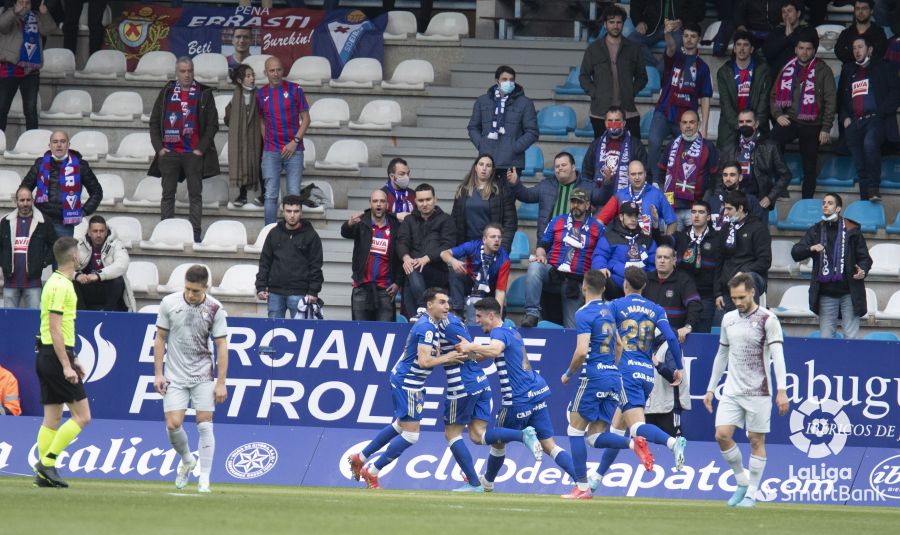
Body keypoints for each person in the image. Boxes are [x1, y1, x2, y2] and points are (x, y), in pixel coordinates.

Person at [455, 297, 578, 493]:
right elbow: (487, 354)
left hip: (517, 399)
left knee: (487, 439)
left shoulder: (498, 333)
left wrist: (470, 346)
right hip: (536, 392)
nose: (477, 321)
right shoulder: (510, 329)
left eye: (479, 316)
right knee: (549, 445)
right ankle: (581, 481)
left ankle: (490, 478)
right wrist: (463, 354)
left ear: (491, 315)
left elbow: (494, 350)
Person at [347, 288, 465, 489]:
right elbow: (425, 361)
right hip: (408, 382)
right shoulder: (427, 328)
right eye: (442, 302)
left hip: (408, 380)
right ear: (430, 305)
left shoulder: (429, 325)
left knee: (400, 426)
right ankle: (372, 471)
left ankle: (360, 457)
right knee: (411, 435)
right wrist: (449, 357)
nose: (447, 306)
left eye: (447, 302)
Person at [588, 266, 687, 492]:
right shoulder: (656, 309)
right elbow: (671, 337)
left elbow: (603, 331)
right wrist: (678, 367)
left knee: (636, 428)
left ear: (625, 284)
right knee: (617, 428)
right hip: (646, 373)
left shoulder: (615, 306)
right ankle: (596, 478)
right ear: (644, 286)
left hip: (625, 371)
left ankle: (673, 443)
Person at [561, 269, 655, 499]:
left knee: (574, 430)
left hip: (593, 376)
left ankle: (582, 488)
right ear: (603, 289)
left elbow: (582, 351)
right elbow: (620, 346)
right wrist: (611, 367)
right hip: (614, 376)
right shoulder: (609, 311)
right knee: (594, 437)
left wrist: (568, 373)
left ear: (584, 287)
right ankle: (634, 444)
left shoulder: (584, 313)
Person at [704, 272, 789, 508]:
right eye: (734, 298)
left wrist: (782, 390)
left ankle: (752, 493)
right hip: (731, 390)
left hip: (758, 391)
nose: (738, 302)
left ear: (752, 292)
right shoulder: (728, 319)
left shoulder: (768, 319)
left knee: (755, 440)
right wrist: (711, 388)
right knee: (721, 435)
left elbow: (778, 356)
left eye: (741, 297)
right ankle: (742, 481)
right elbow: (722, 353)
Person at [434, 310, 541, 492]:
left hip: (461, 385)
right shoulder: (456, 322)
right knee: (478, 436)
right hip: (481, 382)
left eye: (444, 302)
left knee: (451, 434)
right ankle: (522, 436)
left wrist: (439, 356)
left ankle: (475, 483)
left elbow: (458, 353)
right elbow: (470, 352)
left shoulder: (445, 325)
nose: (444, 307)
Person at [153, 264, 229, 493]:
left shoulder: (215, 308)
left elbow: (222, 345)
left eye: (195, 291)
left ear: (206, 287)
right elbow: (160, 339)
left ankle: (204, 478)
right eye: (187, 289)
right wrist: (158, 373)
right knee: (173, 424)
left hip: (203, 374)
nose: (190, 294)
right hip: (175, 374)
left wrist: (221, 382)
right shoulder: (169, 303)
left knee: (205, 424)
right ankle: (187, 460)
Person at [31, 237, 91, 488]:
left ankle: (44, 474)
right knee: (82, 416)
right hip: (55, 357)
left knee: (52, 418)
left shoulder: (55, 282)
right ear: (75, 257)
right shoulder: (61, 286)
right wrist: (66, 364)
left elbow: (57, 329)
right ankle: (48, 462)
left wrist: (73, 357)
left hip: (48, 354)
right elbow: (55, 329)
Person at [149, 57, 219, 243]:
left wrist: (200, 149)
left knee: (195, 195)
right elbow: (154, 121)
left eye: (189, 71)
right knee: (167, 195)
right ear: (176, 72)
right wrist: (159, 148)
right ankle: (165, 232)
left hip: (192, 153)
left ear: (193, 71)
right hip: (169, 152)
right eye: (183, 71)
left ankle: (195, 234)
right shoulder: (167, 92)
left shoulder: (204, 93)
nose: (187, 75)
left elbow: (212, 124)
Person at [790, 193, 872, 339]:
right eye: (824, 203)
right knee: (826, 338)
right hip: (826, 292)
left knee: (851, 338)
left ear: (838, 208)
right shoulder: (816, 230)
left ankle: (849, 362)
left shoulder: (852, 229)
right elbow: (796, 252)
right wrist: (810, 248)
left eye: (830, 203)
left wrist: (863, 270)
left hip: (849, 291)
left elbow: (865, 258)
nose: (825, 205)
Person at [521, 188, 604, 329]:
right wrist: (540, 255)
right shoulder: (558, 220)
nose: (576, 205)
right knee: (535, 266)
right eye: (573, 201)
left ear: (588, 204)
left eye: (580, 202)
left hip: (576, 281)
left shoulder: (597, 227)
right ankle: (532, 313)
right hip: (553, 273)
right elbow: (543, 244)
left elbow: (600, 254)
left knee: (572, 330)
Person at [770, 28, 836, 199]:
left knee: (810, 166)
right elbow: (773, 95)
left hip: (813, 124)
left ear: (814, 50)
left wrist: (826, 128)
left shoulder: (823, 70)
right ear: (795, 49)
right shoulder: (787, 68)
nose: (804, 52)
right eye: (801, 48)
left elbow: (831, 101)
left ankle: (807, 201)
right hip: (791, 120)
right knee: (770, 143)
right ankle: (780, 183)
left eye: (808, 49)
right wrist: (777, 115)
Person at [646, 21, 713, 185]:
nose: (689, 39)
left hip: (686, 118)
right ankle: (654, 181)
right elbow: (670, 47)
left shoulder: (702, 67)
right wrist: (668, 34)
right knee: (654, 142)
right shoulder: (675, 56)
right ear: (682, 37)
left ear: (699, 39)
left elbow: (705, 97)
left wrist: (703, 126)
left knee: (687, 152)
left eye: (693, 36)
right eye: (686, 36)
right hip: (664, 111)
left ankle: (681, 183)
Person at [838, 36, 900, 202]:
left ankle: (874, 188)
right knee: (859, 164)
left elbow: (896, 93)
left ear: (870, 50)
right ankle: (864, 199)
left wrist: (880, 113)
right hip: (854, 123)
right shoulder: (848, 70)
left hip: (875, 120)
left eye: (860, 47)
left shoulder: (884, 67)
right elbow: (841, 100)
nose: (856, 51)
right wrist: (844, 117)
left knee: (870, 143)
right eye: (854, 48)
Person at [578, 5, 648, 139]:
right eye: (611, 22)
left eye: (619, 22)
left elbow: (642, 77)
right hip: (600, 112)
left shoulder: (633, 48)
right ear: (605, 24)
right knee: (603, 154)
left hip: (628, 111)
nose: (615, 26)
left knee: (634, 152)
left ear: (622, 24)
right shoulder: (593, 49)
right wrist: (595, 93)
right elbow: (583, 76)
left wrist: (631, 91)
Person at [257, 56, 311, 226]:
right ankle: (269, 234)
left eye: (278, 69)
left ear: (283, 70)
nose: (276, 73)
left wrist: (295, 141)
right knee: (271, 195)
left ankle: (293, 231)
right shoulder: (260, 93)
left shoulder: (295, 89)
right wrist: (268, 143)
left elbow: (306, 119)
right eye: (272, 70)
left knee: (293, 193)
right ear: (266, 73)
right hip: (271, 151)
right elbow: (262, 121)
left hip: (294, 150)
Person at [20, 130, 103, 238]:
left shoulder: (80, 166)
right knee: (38, 255)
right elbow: (23, 190)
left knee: (62, 255)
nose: (59, 145)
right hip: (40, 221)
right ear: (50, 145)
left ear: (68, 144)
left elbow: (97, 192)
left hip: (64, 224)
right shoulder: (40, 164)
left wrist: (83, 212)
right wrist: (28, 209)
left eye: (62, 141)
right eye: (55, 142)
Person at [654, 200, 721, 333]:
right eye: (694, 212)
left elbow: (719, 269)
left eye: (701, 212)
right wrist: (656, 226)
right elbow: (662, 242)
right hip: (681, 294)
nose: (696, 215)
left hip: (705, 296)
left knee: (700, 337)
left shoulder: (717, 239)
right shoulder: (681, 236)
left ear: (708, 217)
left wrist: (718, 293)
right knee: (679, 334)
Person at [506, 152, 604, 243]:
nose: (560, 168)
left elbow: (602, 198)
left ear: (573, 167)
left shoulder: (587, 186)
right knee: (535, 263)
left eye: (563, 165)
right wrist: (515, 183)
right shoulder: (546, 185)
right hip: (548, 242)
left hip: (577, 242)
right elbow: (527, 196)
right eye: (557, 166)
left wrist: (608, 184)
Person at [255, 195, 323, 319]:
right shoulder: (273, 233)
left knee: (301, 335)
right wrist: (260, 286)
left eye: (296, 211)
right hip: (275, 292)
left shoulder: (311, 236)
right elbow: (265, 261)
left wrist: (313, 291)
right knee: (273, 334)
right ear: (283, 211)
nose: (292, 215)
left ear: (301, 212)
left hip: (300, 293)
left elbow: (316, 266)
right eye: (289, 211)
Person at [467, 65, 539, 179]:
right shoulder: (482, 101)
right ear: (497, 81)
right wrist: (482, 144)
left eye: (511, 80)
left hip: (512, 164)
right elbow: (473, 128)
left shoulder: (525, 103)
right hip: (488, 162)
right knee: (485, 196)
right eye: (504, 79)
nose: (508, 82)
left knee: (507, 197)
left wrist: (515, 148)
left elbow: (532, 132)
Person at [342, 190, 403, 322]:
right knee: (359, 332)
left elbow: (400, 257)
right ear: (370, 204)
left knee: (385, 333)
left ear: (387, 204)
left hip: (386, 289)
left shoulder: (396, 226)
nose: (378, 204)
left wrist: (398, 282)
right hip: (361, 287)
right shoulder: (361, 222)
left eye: (382, 201)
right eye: (375, 201)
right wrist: (350, 223)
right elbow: (345, 232)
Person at [396, 183, 456, 315]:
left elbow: (448, 245)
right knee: (411, 267)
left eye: (428, 199)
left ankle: (423, 308)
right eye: (421, 200)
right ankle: (423, 309)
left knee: (413, 269)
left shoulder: (446, 220)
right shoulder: (409, 220)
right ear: (415, 201)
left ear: (435, 199)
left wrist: (426, 258)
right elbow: (401, 241)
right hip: (413, 275)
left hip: (436, 273)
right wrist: (406, 257)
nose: (424, 204)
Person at [719, 109, 792, 211]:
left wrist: (770, 197)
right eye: (741, 122)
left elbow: (785, 175)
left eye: (748, 121)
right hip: (733, 201)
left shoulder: (770, 146)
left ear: (756, 123)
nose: (744, 125)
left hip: (758, 202)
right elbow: (719, 176)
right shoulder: (729, 146)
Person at [658, 109, 719, 229]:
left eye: (692, 122)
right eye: (684, 123)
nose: (688, 126)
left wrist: (704, 202)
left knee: (695, 246)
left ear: (699, 124)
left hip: (696, 209)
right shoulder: (671, 145)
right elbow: (661, 172)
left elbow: (715, 177)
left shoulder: (708, 146)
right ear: (680, 125)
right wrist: (664, 199)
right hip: (672, 208)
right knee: (672, 245)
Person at [0, 0, 54, 131]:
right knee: (2, 108)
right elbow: (1, 25)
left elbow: (48, 30)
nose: (24, 6)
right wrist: (14, 12)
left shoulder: (36, 17)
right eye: (21, 2)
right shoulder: (9, 15)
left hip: (31, 71)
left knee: (30, 110)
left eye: (27, 3)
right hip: (10, 69)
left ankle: (32, 142)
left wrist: (45, 14)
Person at [441, 223, 511, 323]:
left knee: (500, 306)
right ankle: (458, 312)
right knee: (455, 270)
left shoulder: (504, 260)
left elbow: (500, 291)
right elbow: (443, 254)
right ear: (484, 240)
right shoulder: (472, 246)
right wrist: (453, 261)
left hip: (490, 290)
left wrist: (497, 317)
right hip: (470, 285)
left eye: (499, 237)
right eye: (493, 237)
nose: (496, 240)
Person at [714, 191, 772, 314]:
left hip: (752, 279)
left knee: (746, 278)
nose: (725, 213)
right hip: (728, 285)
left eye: (729, 209)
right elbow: (719, 261)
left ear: (740, 208)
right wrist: (717, 293)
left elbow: (764, 261)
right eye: (725, 209)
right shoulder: (725, 228)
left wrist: (743, 272)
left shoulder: (758, 228)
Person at [716, 31, 772, 152]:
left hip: (756, 124)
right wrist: (739, 126)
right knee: (726, 159)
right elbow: (725, 104)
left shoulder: (764, 70)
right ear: (734, 49)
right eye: (739, 45)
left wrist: (754, 124)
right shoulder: (724, 72)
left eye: (746, 45)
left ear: (752, 49)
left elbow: (764, 102)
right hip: (731, 125)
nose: (742, 48)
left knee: (762, 158)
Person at [0, 187, 55, 308]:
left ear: (33, 200)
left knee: (33, 321)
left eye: (28, 200)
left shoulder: (44, 222)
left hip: (33, 283)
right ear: (16, 201)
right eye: (22, 200)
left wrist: (44, 262)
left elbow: (54, 246)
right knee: (10, 321)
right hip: (10, 282)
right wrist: (3, 263)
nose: (25, 203)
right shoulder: (5, 222)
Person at [450, 154, 517, 253]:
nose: (484, 168)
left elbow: (510, 223)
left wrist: (502, 249)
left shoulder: (502, 191)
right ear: (475, 168)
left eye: (488, 165)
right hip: (467, 247)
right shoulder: (463, 190)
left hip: (491, 248)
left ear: (492, 170)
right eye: (481, 164)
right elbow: (454, 221)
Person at [592, 201, 657, 296]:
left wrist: (645, 281)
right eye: (630, 215)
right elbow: (599, 255)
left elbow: (652, 266)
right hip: (614, 288)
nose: (634, 219)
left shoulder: (647, 240)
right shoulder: (609, 237)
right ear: (621, 217)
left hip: (640, 289)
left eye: (636, 216)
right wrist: (601, 267)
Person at [597, 160, 677, 235]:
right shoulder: (620, 195)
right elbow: (600, 220)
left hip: (650, 245)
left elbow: (672, 221)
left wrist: (667, 244)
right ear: (628, 176)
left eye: (640, 173)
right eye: (633, 174)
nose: (637, 177)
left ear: (645, 174)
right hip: (624, 244)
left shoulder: (657, 194)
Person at [74, 215, 134, 312]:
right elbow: (67, 267)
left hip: (107, 286)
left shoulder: (116, 244)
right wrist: (78, 276)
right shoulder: (80, 245)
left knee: (118, 281)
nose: (98, 235)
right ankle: (81, 314)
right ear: (88, 232)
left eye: (101, 231)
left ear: (106, 232)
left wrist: (99, 275)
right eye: (95, 231)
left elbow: (122, 264)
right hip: (88, 286)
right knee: (73, 281)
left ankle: (106, 313)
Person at [644, 244, 702, 342]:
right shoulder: (645, 279)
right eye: (659, 257)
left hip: (674, 337)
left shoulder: (684, 280)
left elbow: (694, 304)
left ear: (674, 260)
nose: (662, 261)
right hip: (647, 336)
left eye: (666, 257)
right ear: (655, 260)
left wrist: (688, 326)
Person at [583, 106, 649, 192]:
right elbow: (586, 174)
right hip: (600, 197)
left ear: (624, 123)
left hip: (627, 197)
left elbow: (646, 173)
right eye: (610, 121)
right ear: (605, 123)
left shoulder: (636, 145)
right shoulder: (595, 145)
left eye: (617, 121)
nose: (613, 124)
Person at [627, 0, 705, 70]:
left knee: (679, 42)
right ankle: (659, 73)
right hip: (651, 26)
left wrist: (682, 21)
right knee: (630, 41)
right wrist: (639, 21)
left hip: (677, 27)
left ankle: (658, 75)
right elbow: (635, 6)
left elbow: (699, 11)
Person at [224, 64, 262, 207]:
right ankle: (243, 195)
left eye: (252, 75)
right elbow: (229, 118)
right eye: (248, 76)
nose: (252, 78)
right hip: (241, 138)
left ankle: (265, 194)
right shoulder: (236, 96)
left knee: (258, 163)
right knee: (242, 161)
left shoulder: (259, 95)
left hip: (258, 137)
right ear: (240, 80)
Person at [704, 161, 766, 230]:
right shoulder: (712, 200)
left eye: (732, 175)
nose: (728, 178)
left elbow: (758, 229)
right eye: (725, 175)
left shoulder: (750, 200)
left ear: (740, 177)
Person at [762, 0, 808, 79]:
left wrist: (790, 36)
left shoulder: (807, 31)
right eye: (783, 12)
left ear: (798, 13)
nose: (786, 15)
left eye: (789, 11)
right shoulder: (776, 31)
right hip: (778, 78)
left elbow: (806, 52)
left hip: (801, 78)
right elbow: (767, 53)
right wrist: (785, 39)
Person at [381, 157, 414, 221]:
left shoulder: (413, 194)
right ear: (392, 176)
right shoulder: (382, 194)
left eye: (408, 174)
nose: (406, 177)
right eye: (402, 174)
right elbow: (376, 216)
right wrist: (396, 215)